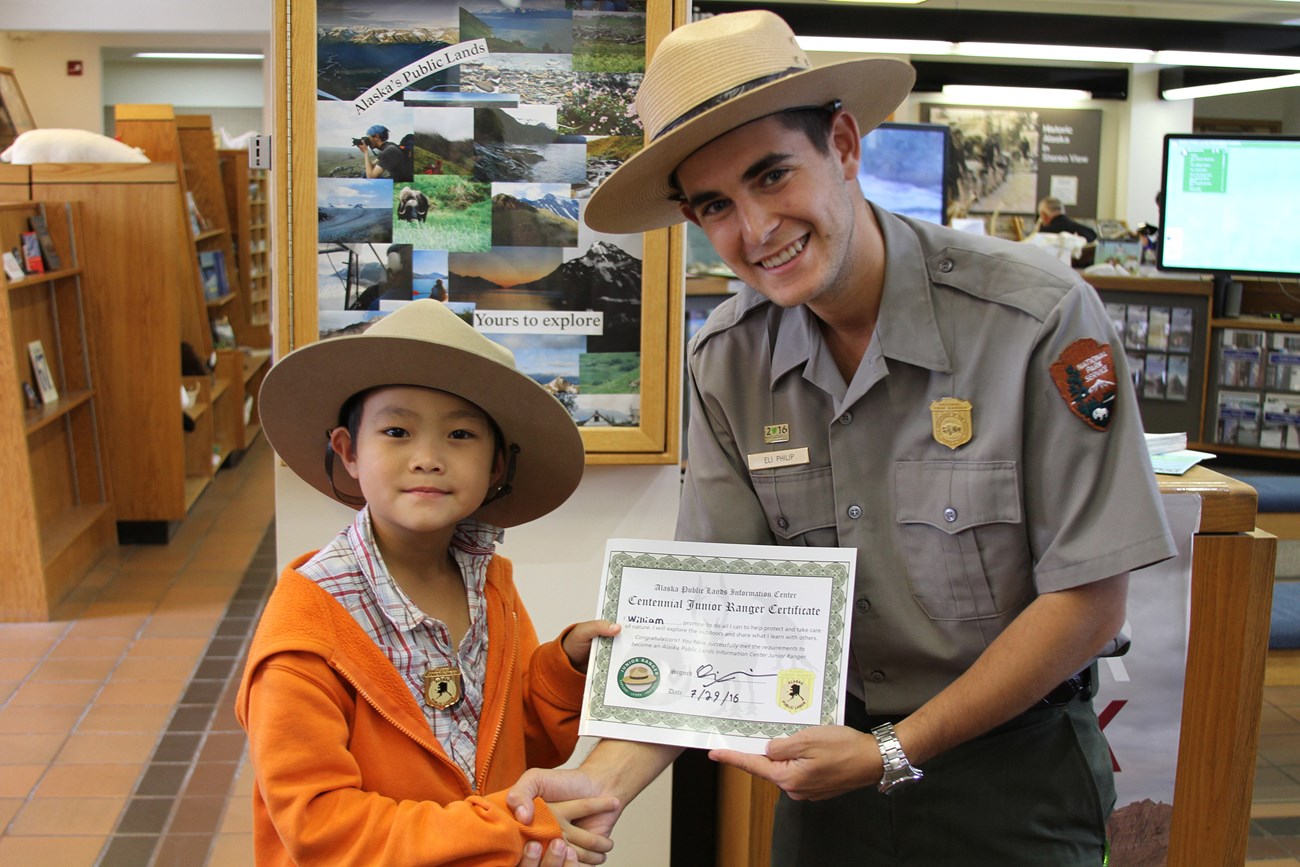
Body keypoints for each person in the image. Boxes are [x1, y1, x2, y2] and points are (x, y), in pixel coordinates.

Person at [508, 10, 1176, 865]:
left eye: (772, 175)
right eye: (715, 205)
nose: (754, 230)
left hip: (1017, 780)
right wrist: (595, 786)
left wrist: (894, 750)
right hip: (830, 784)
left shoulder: (1035, 319)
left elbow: (1087, 604)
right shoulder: (727, 362)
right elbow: (714, 618)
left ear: (846, 147)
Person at [236, 299, 621, 865]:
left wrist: (564, 667)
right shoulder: (306, 635)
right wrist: (502, 833)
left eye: (461, 435)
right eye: (396, 430)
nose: (427, 458)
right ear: (348, 452)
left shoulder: (488, 583)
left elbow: (512, 742)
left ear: (495, 465)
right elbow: (320, 826)